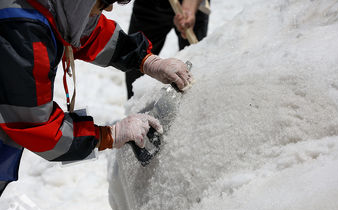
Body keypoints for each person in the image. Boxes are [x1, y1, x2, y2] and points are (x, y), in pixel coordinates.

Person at [0, 0, 193, 196]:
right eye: (104, 1)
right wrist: (110, 135)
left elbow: (89, 33)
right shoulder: (23, 31)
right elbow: (36, 126)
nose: (109, 9)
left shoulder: (55, 6)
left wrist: (146, 60)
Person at [125, 0, 210, 99]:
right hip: (150, 6)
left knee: (194, 66)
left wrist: (188, 9)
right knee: (135, 65)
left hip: (192, 4)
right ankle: (136, 110)